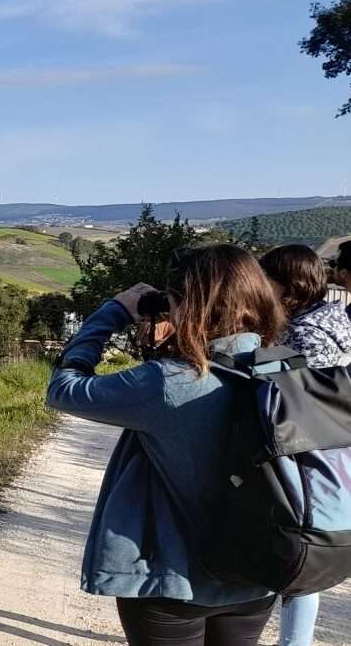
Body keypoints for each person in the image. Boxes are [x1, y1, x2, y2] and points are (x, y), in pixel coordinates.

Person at [47, 243, 285, 646]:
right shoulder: (286, 368)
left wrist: (114, 312)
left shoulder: (168, 381)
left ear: (188, 305)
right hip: (258, 576)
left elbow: (64, 389)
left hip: (172, 584)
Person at [258, 243, 351, 646]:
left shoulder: (301, 333)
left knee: (297, 549)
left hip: (306, 452)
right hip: (337, 449)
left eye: (267, 282)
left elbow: (273, 391)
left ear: (288, 287)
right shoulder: (337, 321)